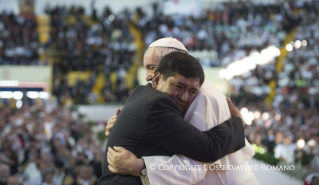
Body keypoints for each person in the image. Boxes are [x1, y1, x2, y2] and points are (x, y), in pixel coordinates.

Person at [105, 38, 258, 185]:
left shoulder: (202, 97)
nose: (148, 76)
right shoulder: (161, 97)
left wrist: (141, 167)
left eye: (152, 67)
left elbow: (200, 159)